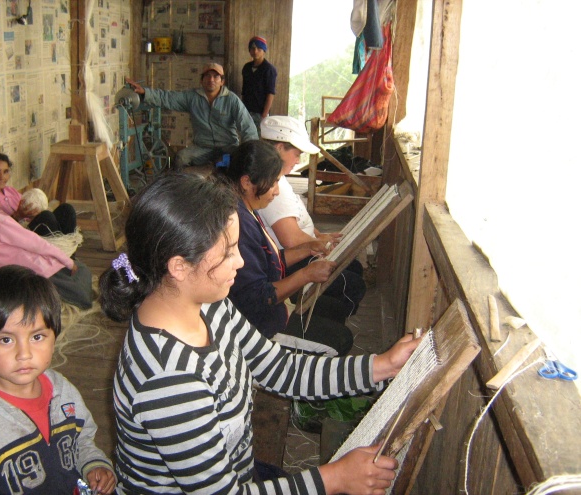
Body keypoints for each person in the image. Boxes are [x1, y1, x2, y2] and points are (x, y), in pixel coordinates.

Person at [98, 172, 420, 494]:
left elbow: (280, 368)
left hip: (241, 473)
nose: (240, 262)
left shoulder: (208, 306)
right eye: (228, 252)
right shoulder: (168, 379)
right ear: (179, 266)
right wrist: (334, 479)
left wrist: (383, 366)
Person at [0, 265, 116, 494]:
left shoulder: (63, 391)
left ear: (55, 337)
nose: (24, 354)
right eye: (6, 340)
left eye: (37, 336)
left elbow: (82, 442)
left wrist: (94, 465)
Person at [220, 140, 355, 356]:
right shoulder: (239, 225)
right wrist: (306, 274)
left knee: (335, 309)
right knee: (340, 339)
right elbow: (260, 298)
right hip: (257, 327)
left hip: (271, 309)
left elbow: (268, 261)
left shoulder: (248, 209)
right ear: (246, 182)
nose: (275, 192)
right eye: (272, 183)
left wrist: (309, 248)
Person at [258, 115, 366, 316]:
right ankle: (318, 323)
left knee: (354, 269)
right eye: (297, 153)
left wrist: (319, 236)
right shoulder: (273, 185)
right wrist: (320, 244)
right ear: (279, 149)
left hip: (303, 248)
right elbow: (291, 239)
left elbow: (299, 219)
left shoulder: (280, 180)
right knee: (352, 284)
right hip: (291, 259)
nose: (299, 160)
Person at [0, 180, 93, 309]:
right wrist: (68, 262)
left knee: (76, 276)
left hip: (25, 278)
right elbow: (35, 243)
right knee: (83, 277)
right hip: (40, 271)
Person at [125, 63, 258, 169]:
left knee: (240, 165)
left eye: (215, 76)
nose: (211, 79)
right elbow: (167, 98)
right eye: (207, 76)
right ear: (201, 80)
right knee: (181, 158)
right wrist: (145, 93)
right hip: (203, 147)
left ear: (222, 81)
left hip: (228, 147)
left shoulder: (232, 100)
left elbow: (247, 127)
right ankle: (182, 194)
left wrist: (250, 153)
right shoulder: (192, 97)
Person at [0, 151, 77, 237]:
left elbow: (29, 207)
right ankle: (57, 254)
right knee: (46, 217)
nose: (1, 177)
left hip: (32, 228)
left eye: (5, 172)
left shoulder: (10, 191)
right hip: (19, 236)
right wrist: (18, 216)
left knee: (66, 209)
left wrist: (35, 211)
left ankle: (69, 254)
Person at [241, 36, 277, 135]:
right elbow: (244, 90)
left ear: (264, 51)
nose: (255, 51)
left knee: (259, 138)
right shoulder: (246, 68)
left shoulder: (269, 69)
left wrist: (264, 114)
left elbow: (271, 93)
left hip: (260, 112)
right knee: (247, 136)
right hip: (247, 111)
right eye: (252, 48)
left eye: (259, 49)